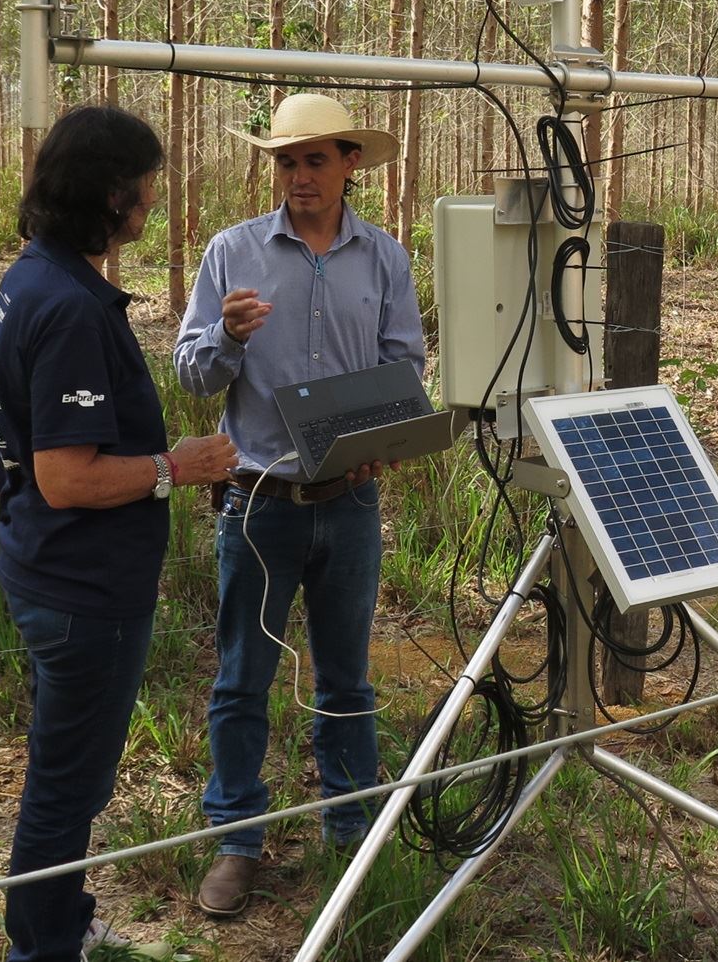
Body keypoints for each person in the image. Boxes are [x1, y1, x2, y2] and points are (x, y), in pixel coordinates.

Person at [0, 105, 238, 961]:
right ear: (111, 193)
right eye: (146, 185)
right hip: (82, 591)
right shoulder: (68, 309)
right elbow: (66, 475)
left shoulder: (36, 278)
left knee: (68, 772)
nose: (153, 202)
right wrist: (180, 466)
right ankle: (42, 946)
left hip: (50, 572)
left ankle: (60, 920)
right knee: (68, 786)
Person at [174, 93, 426, 918]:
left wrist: (389, 431)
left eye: (316, 159)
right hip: (258, 503)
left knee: (347, 678)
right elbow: (192, 372)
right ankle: (237, 838)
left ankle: (348, 835)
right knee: (243, 678)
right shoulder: (233, 252)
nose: (299, 175)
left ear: (351, 164)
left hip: (351, 503)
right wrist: (229, 338)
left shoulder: (385, 259)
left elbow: (404, 368)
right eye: (286, 160)